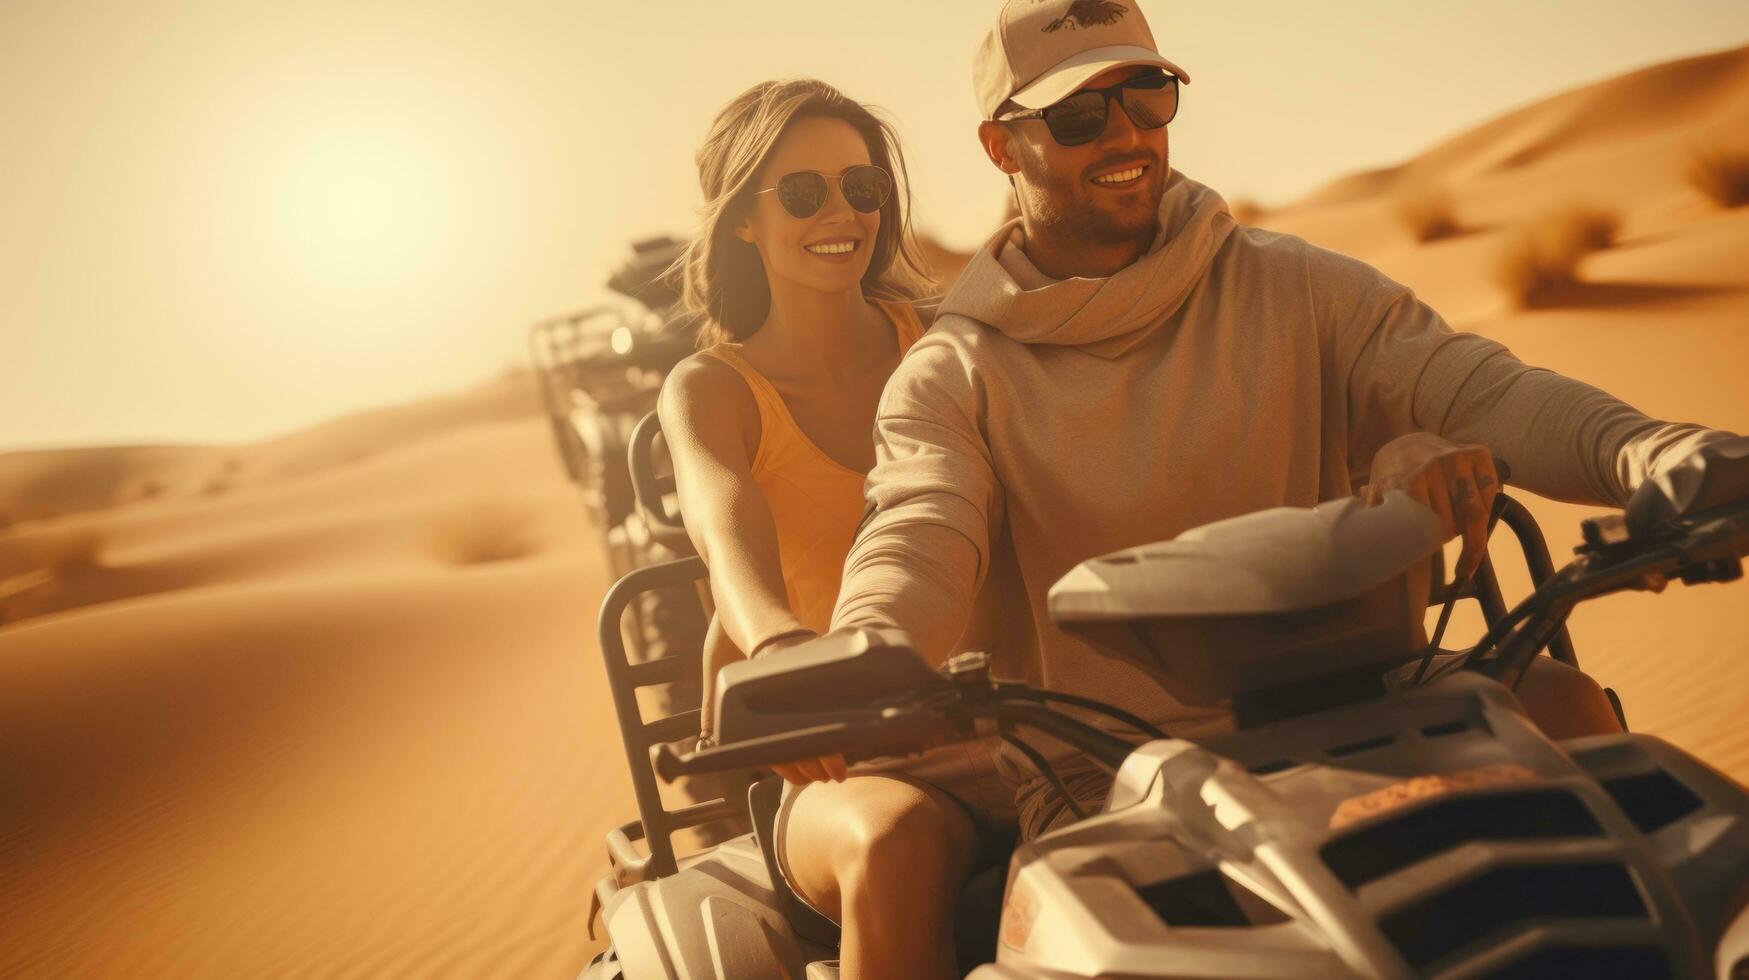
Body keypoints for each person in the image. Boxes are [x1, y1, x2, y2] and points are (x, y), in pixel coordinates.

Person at [804, 0, 1738, 864]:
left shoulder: (1295, 286)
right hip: (1112, 775)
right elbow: (919, 531)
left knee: (1568, 714)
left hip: (1368, 707)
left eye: (1146, 94)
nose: (1127, 133)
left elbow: (1484, 391)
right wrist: (865, 649)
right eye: (1079, 117)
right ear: (1001, 148)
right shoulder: (953, 375)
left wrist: (1653, 454)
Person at [658, 79, 988, 980]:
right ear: (742, 222)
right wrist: (777, 651)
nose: (840, 211)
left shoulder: (950, 343)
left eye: (861, 186)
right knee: (896, 841)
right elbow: (725, 538)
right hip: (834, 769)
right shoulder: (714, 389)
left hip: (1012, 725)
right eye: (801, 192)